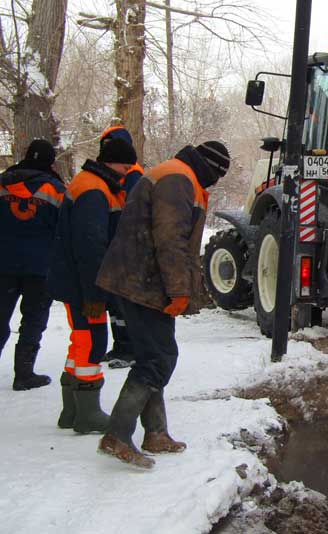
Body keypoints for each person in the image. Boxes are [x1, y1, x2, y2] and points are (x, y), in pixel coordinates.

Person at [96, 140, 230, 468]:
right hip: (142, 282)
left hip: (137, 279)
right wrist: (179, 291)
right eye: (218, 175)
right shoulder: (178, 180)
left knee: (152, 355)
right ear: (211, 169)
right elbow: (170, 240)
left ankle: (155, 432)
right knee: (158, 358)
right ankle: (117, 434)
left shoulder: (177, 173)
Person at [47, 138, 137, 433]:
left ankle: (71, 411)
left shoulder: (91, 184)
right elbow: (90, 247)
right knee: (92, 342)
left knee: (81, 341)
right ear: (112, 162)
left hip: (75, 281)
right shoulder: (94, 191)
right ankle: (87, 413)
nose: (126, 174)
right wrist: (95, 294)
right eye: (125, 167)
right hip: (84, 284)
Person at [0, 140, 65, 390]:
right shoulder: (56, 189)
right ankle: (24, 373)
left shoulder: (3, 183)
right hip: (41, 267)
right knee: (33, 319)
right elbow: (64, 229)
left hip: (3, 265)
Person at [99, 126, 145, 369]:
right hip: (114, 245)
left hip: (125, 246)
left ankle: (129, 348)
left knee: (122, 304)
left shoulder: (132, 175)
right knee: (114, 304)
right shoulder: (113, 175)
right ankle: (121, 346)